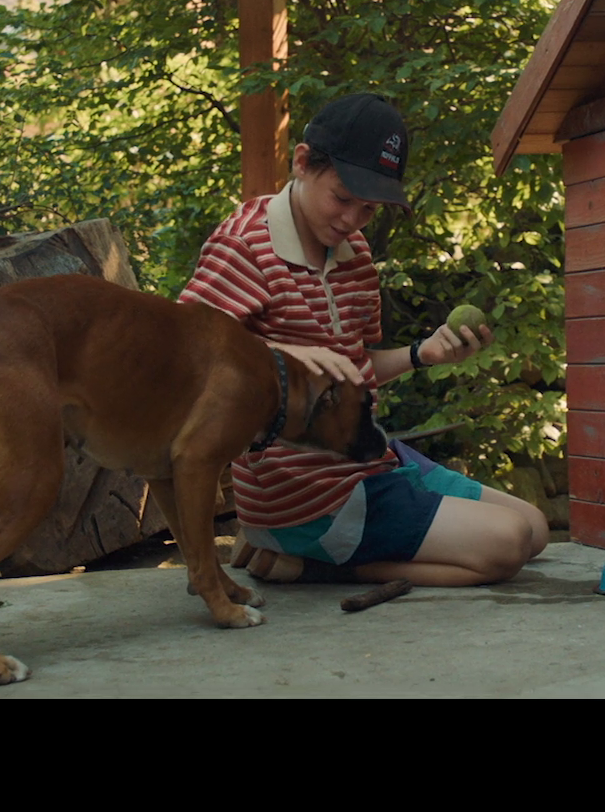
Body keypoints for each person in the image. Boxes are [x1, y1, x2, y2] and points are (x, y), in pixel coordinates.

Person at [179, 93, 549, 586]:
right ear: (303, 162)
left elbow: (354, 367)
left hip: (369, 462)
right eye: (343, 197)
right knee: (507, 544)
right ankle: (309, 561)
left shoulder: (354, 256)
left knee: (535, 529)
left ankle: (306, 555)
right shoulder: (243, 244)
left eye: (369, 208)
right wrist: (285, 358)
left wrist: (421, 355)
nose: (352, 220)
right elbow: (184, 355)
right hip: (302, 493)